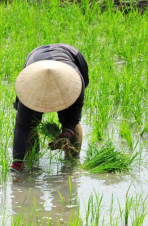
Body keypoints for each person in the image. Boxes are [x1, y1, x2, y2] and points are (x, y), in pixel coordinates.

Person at [10, 44, 89, 172]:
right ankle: (31, 159)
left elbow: (75, 112)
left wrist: (67, 133)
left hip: (72, 55)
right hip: (36, 59)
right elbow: (22, 127)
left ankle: (72, 162)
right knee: (30, 123)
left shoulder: (76, 84)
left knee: (70, 121)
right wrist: (17, 162)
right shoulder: (28, 90)